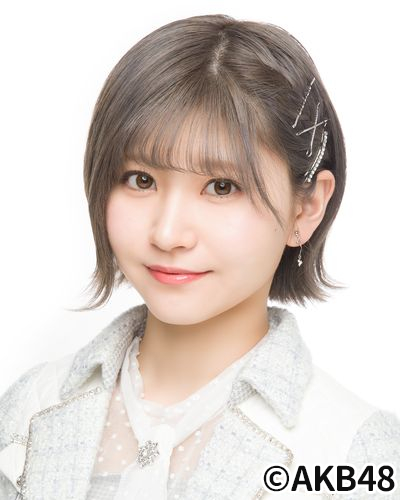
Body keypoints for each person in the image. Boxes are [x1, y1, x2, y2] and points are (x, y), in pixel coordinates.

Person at [0, 13, 399, 500]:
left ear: (307, 206)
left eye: (221, 187)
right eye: (141, 180)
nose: (168, 233)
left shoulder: (357, 452)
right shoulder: (28, 410)